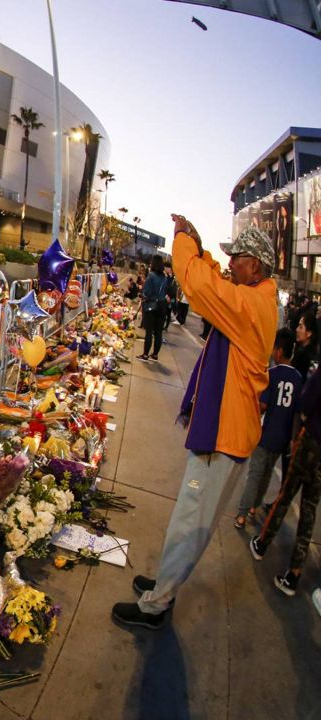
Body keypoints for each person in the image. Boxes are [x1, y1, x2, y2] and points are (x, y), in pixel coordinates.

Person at [112, 219, 277, 630]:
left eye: (235, 259)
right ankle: (164, 583)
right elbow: (214, 284)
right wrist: (202, 250)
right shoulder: (253, 299)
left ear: (254, 266)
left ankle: (156, 605)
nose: (229, 265)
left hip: (224, 438)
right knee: (187, 517)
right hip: (223, 431)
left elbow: (201, 288)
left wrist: (185, 241)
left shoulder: (252, 305)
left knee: (190, 524)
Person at [250, 367, 321, 596]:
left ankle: (262, 544)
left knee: (286, 494)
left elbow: (307, 401)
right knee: (309, 509)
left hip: (311, 441)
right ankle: (294, 573)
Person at [234, 329, 301, 529]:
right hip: (282, 438)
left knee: (254, 473)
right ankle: (255, 506)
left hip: (265, 434)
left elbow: (263, 406)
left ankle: (242, 514)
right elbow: (297, 412)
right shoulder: (298, 378)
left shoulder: (271, 374)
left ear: (279, 351)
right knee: (267, 473)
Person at [138, 255, 168, 362]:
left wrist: (142, 294)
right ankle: (155, 355)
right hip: (162, 306)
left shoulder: (151, 276)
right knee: (158, 332)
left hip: (152, 307)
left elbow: (147, 292)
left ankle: (145, 354)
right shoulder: (164, 277)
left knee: (149, 332)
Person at [292, 312, 317, 384]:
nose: (297, 329)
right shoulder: (315, 353)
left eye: (300, 327)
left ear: (309, 333)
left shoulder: (302, 355)